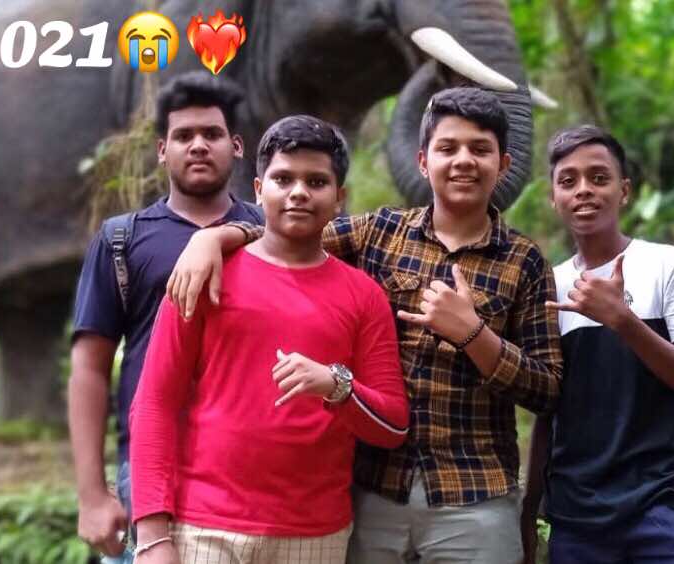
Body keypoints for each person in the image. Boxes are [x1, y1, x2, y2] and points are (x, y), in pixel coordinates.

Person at [166, 87, 563, 562]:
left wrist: (475, 336)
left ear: (503, 164)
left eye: (480, 149)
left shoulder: (525, 261)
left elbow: (547, 390)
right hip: (374, 490)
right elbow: (289, 232)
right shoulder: (380, 232)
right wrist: (213, 238)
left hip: (475, 496)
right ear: (423, 162)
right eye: (448, 147)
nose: (463, 161)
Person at [128, 115, 410, 564]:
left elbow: (393, 426)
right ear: (259, 191)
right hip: (204, 528)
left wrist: (336, 385)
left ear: (339, 198)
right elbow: (154, 403)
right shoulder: (202, 273)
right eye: (283, 179)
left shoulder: (364, 296)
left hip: (314, 534)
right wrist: (151, 535)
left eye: (316, 181)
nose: (298, 192)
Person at [67, 71, 263, 563]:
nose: (198, 145)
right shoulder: (121, 240)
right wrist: (91, 494)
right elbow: (89, 368)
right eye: (183, 136)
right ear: (162, 150)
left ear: (236, 146)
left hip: (257, 467)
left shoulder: (274, 232)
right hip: (150, 468)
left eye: (212, 134)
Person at [521, 125, 674, 563]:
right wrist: (528, 510)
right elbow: (547, 413)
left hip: (665, 504)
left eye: (599, 177)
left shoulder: (667, 265)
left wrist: (624, 322)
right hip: (578, 518)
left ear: (624, 190)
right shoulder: (548, 287)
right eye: (568, 181)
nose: (584, 190)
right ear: (553, 198)